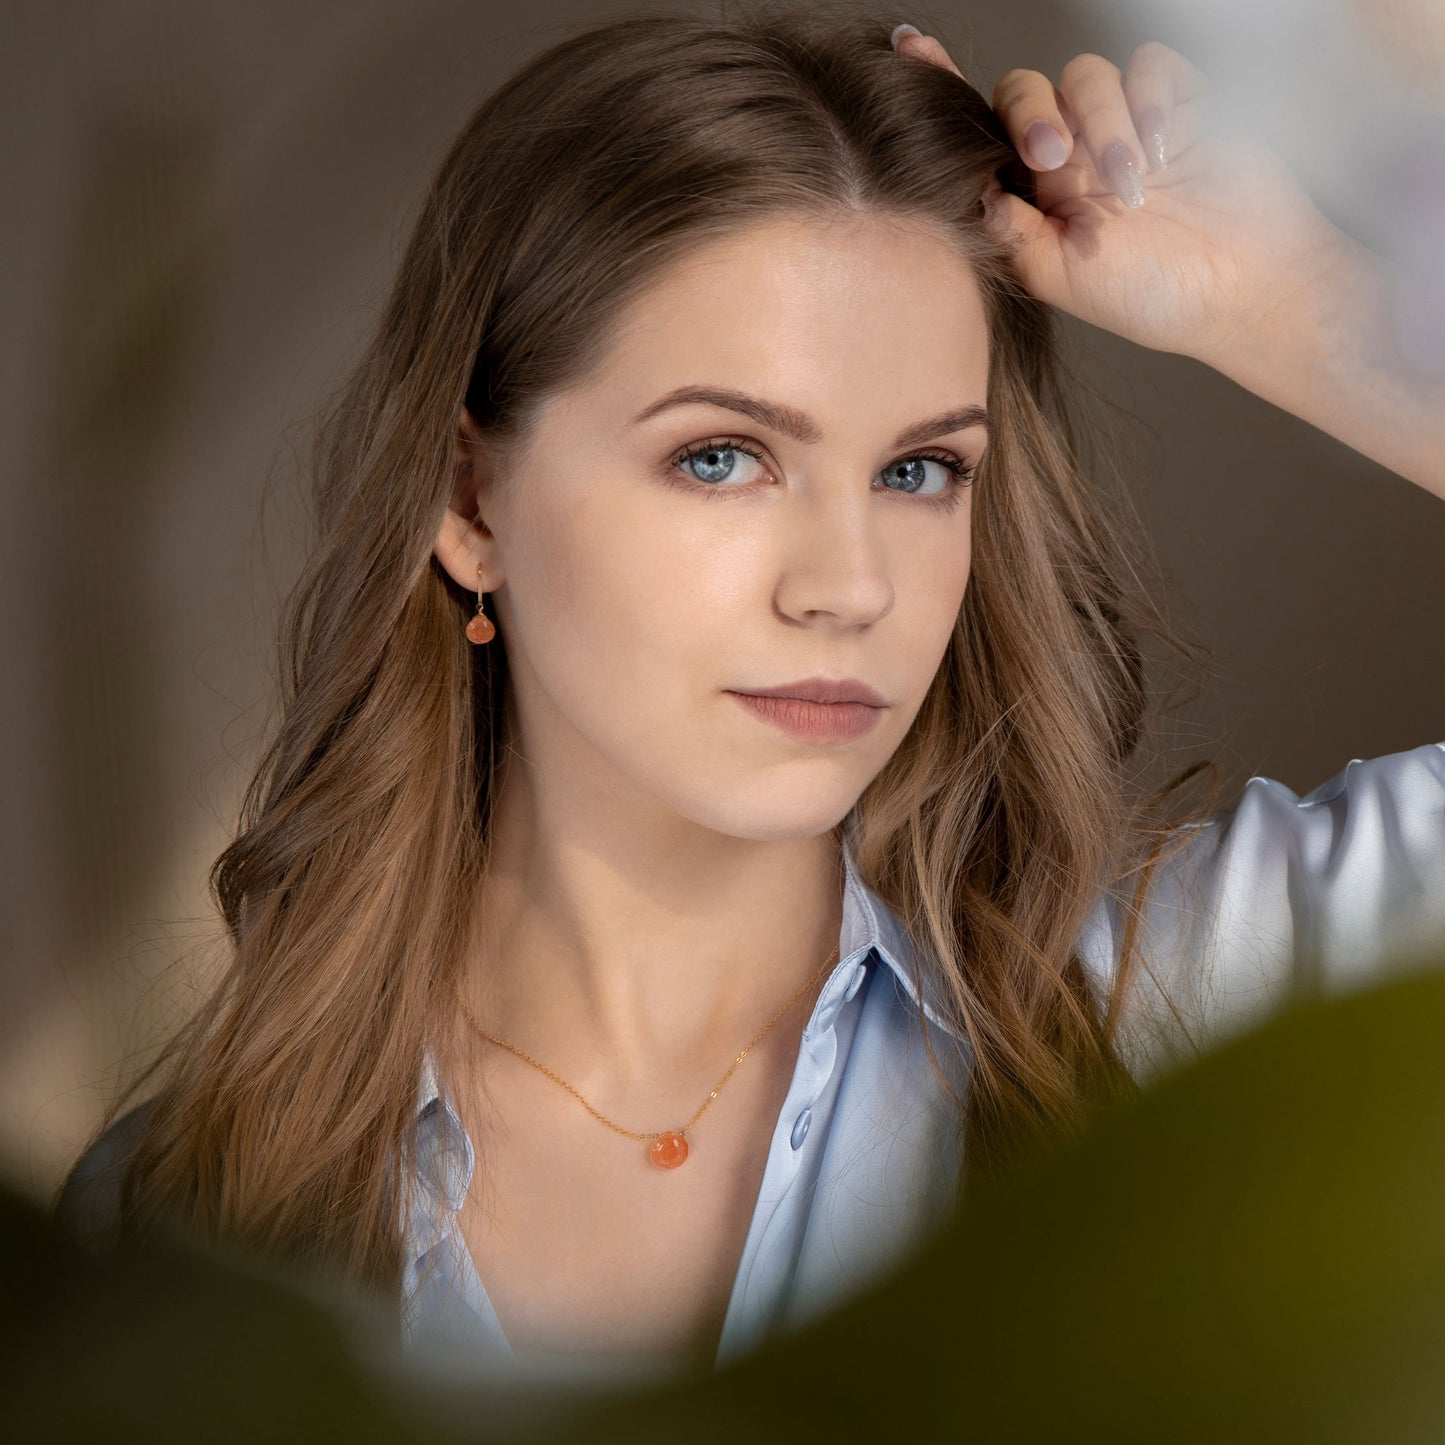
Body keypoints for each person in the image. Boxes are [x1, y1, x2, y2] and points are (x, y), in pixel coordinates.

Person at [56, 1, 1445, 1411]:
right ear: (471, 499)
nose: (846, 585)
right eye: (722, 456)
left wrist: (1301, 310)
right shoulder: (179, 1224)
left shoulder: (1189, 1026)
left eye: (917, 472)